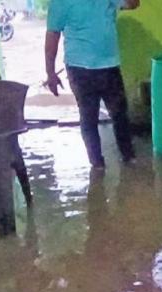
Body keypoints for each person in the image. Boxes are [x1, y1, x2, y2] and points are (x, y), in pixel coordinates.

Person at [45, 0, 139, 169]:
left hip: (109, 65)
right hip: (79, 68)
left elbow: (133, 4)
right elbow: (52, 35)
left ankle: (128, 156)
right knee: (89, 117)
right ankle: (97, 163)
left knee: (120, 114)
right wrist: (50, 73)